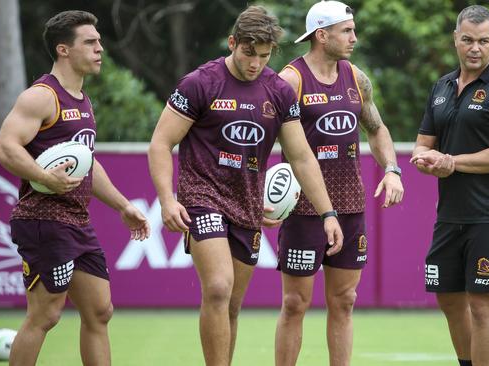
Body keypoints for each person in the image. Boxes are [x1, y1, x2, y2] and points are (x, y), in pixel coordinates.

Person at [147, 5, 343, 365]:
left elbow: (301, 157)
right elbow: (161, 143)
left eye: (264, 56)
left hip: (248, 205)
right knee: (218, 288)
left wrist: (327, 212)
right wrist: (166, 199)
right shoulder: (199, 83)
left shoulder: (279, 91)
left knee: (233, 305)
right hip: (202, 196)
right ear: (232, 42)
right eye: (248, 53)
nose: (255, 63)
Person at [0, 10, 150, 366]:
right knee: (45, 315)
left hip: (76, 222)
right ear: (64, 50)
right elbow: (6, 147)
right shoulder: (42, 97)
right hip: (42, 220)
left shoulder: (82, 100)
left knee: (100, 310)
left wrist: (124, 205)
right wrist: (46, 177)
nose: (100, 49)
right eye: (90, 42)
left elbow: (88, 164)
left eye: (99, 42)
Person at [275, 1, 404, 365]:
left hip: (349, 205)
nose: (354, 38)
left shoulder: (355, 77)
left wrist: (392, 169)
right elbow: (265, 139)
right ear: (322, 34)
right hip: (304, 209)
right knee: (295, 303)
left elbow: (376, 129)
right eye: (347, 30)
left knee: (344, 301)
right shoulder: (290, 80)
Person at [410, 5, 489, 366]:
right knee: (448, 298)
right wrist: (425, 159)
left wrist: (452, 162)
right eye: (467, 40)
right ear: (455, 39)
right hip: (450, 215)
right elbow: (423, 143)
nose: (475, 48)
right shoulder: (442, 86)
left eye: (483, 41)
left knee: (483, 306)